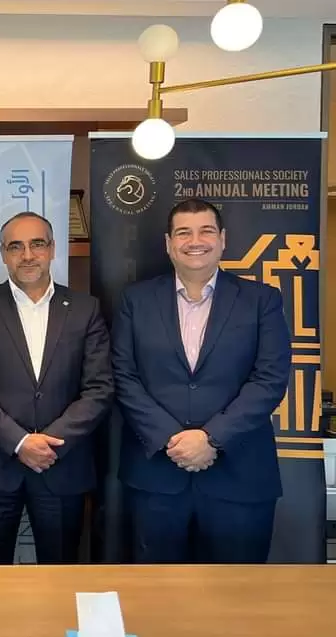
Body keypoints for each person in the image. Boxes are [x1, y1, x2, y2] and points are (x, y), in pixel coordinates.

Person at [112, 198, 291, 563]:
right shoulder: (135, 300)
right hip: (156, 477)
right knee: (156, 592)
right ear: (168, 243)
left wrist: (211, 438)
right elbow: (123, 376)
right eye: (184, 233)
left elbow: (270, 379)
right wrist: (172, 439)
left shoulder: (262, 300)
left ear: (222, 239)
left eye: (206, 231)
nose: (195, 241)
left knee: (237, 591)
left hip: (240, 477)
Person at [0, 211, 113, 564]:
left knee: (60, 578)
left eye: (37, 244)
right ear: (3, 253)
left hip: (62, 465)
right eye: (16, 246)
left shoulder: (85, 309)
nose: (27, 255)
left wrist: (49, 442)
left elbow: (99, 388)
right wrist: (20, 442)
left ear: (52, 249)